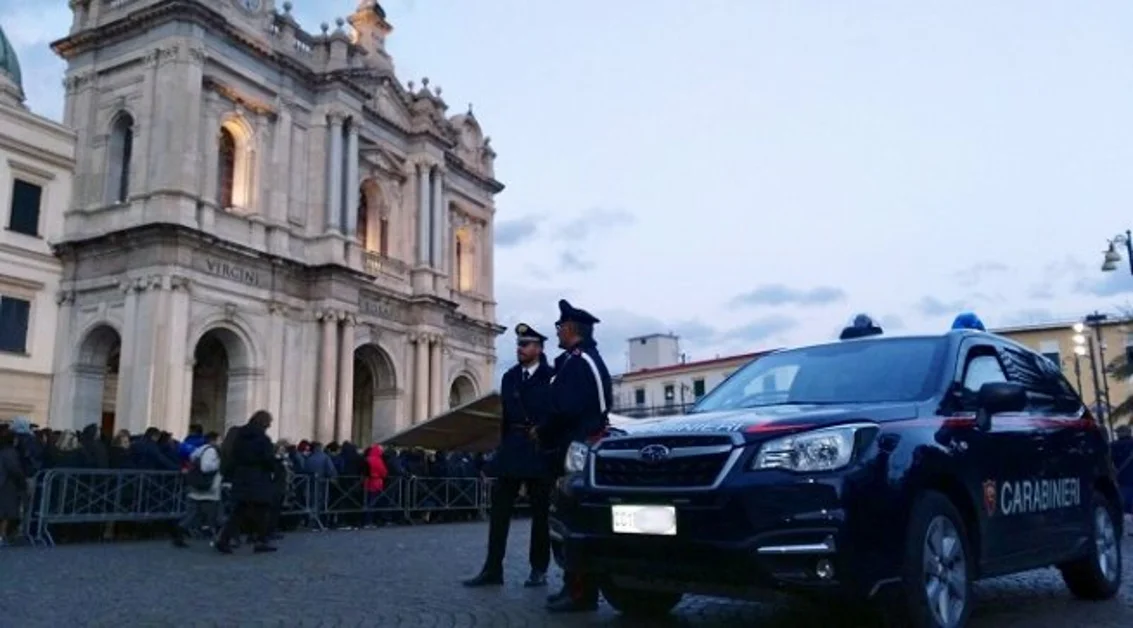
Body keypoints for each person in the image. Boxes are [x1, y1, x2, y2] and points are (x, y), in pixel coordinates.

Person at [464, 323, 556, 589]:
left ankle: (538, 569)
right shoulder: (510, 377)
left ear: (538, 348)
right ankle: (493, 568)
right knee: (499, 513)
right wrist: (499, 454)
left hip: (539, 450)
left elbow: (554, 414)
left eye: (525, 345)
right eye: (518, 344)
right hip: (513, 448)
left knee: (540, 515)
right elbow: (505, 419)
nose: (520, 349)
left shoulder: (551, 376)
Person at [536, 300, 613, 614]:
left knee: (575, 520)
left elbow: (566, 409)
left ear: (570, 330)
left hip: (577, 452)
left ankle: (581, 592)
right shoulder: (575, 361)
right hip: (569, 450)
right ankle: (572, 584)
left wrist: (543, 430)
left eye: (559, 326)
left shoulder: (582, 361)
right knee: (565, 521)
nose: (557, 331)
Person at [215, 410, 278, 554]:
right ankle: (261, 541)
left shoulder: (239, 436)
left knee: (239, 511)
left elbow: (233, 455)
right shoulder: (262, 439)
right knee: (262, 511)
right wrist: (274, 465)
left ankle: (224, 539)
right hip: (258, 478)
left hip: (242, 477)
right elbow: (268, 459)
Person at [172, 431, 221, 548]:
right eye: (220, 440)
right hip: (208, 488)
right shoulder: (211, 451)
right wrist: (220, 463)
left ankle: (179, 532)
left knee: (192, 513)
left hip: (196, 486)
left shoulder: (199, 450)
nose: (221, 442)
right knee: (215, 515)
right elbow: (206, 467)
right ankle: (219, 538)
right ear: (214, 440)